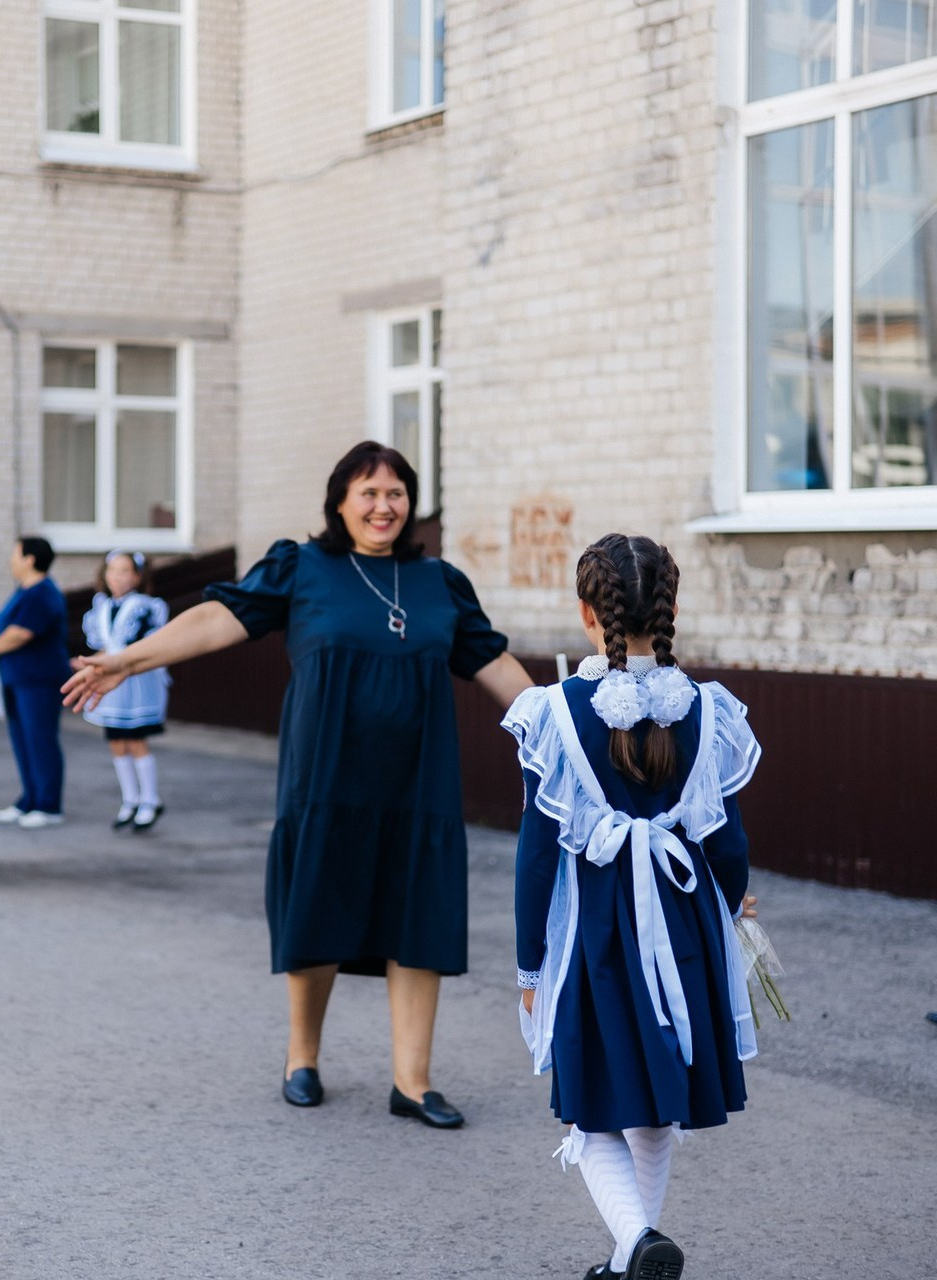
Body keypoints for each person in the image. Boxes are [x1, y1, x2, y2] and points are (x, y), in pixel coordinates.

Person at [62, 441, 534, 1126]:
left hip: (419, 786)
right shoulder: (303, 567)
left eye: (396, 492)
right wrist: (128, 662)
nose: (383, 505)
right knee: (319, 907)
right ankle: (302, 1057)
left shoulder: (439, 584)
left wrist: (566, 733)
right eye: (368, 492)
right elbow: (216, 619)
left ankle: (413, 1082)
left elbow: (494, 666)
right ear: (339, 501)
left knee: (419, 916)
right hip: (325, 779)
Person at [503, 533, 763, 1280]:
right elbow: (728, 844)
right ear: (673, 608)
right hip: (682, 927)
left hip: (598, 934)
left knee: (592, 1105)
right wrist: (736, 910)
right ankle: (631, 1259)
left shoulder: (557, 711)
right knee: (654, 1100)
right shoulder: (707, 711)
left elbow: (536, 855)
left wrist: (530, 961)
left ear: (589, 613)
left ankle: (636, 1246)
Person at [0, 537, 71, 830]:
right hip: (17, 679)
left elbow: (22, 633)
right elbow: (7, 628)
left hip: (39, 680)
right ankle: (29, 799)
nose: (11, 560)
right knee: (23, 741)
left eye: (15, 554)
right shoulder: (24, 591)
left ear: (30, 559)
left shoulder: (43, 593)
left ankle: (49, 805)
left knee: (40, 739)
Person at [78, 551, 170, 831]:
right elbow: (104, 645)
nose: (118, 577)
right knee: (117, 741)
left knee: (136, 739)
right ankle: (129, 799)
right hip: (112, 686)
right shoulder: (100, 608)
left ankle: (150, 799)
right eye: (112, 571)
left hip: (137, 681)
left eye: (125, 571)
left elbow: (149, 644)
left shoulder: (147, 607)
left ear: (137, 576)